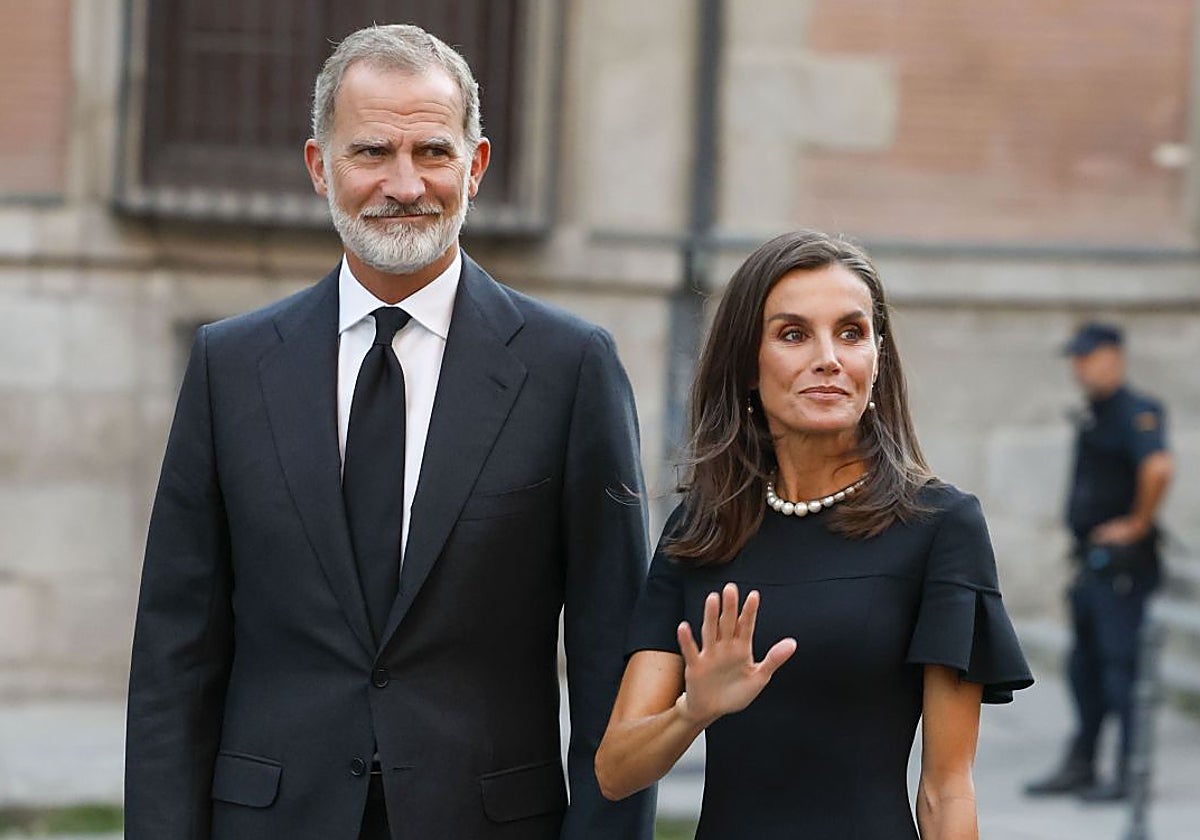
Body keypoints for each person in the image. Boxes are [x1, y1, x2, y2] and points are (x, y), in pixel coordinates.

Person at [125, 24, 655, 840]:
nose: (404, 184)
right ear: (319, 167)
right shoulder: (230, 366)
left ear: (475, 168)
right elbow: (176, 652)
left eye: (433, 153)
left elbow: (614, 659)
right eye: (371, 151)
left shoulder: (570, 368)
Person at [594, 230, 1033, 839]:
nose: (828, 357)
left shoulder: (941, 527)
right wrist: (694, 710)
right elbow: (615, 771)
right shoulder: (699, 531)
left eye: (851, 333)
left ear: (877, 361)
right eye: (793, 334)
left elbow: (946, 789)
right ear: (748, 367)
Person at [1025, 322, 1173, 802]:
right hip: (1093, 565)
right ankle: (1083, 762)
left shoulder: (1136, 411)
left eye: (1087, 357)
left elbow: (1159, 466)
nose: (1079, 367)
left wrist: (1137, 522)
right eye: (1076, 359)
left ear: (1113, 357)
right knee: (1084, 669)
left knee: (1120, 669)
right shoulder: (1096, 414)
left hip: (1123, 569)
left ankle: (1132, 772)